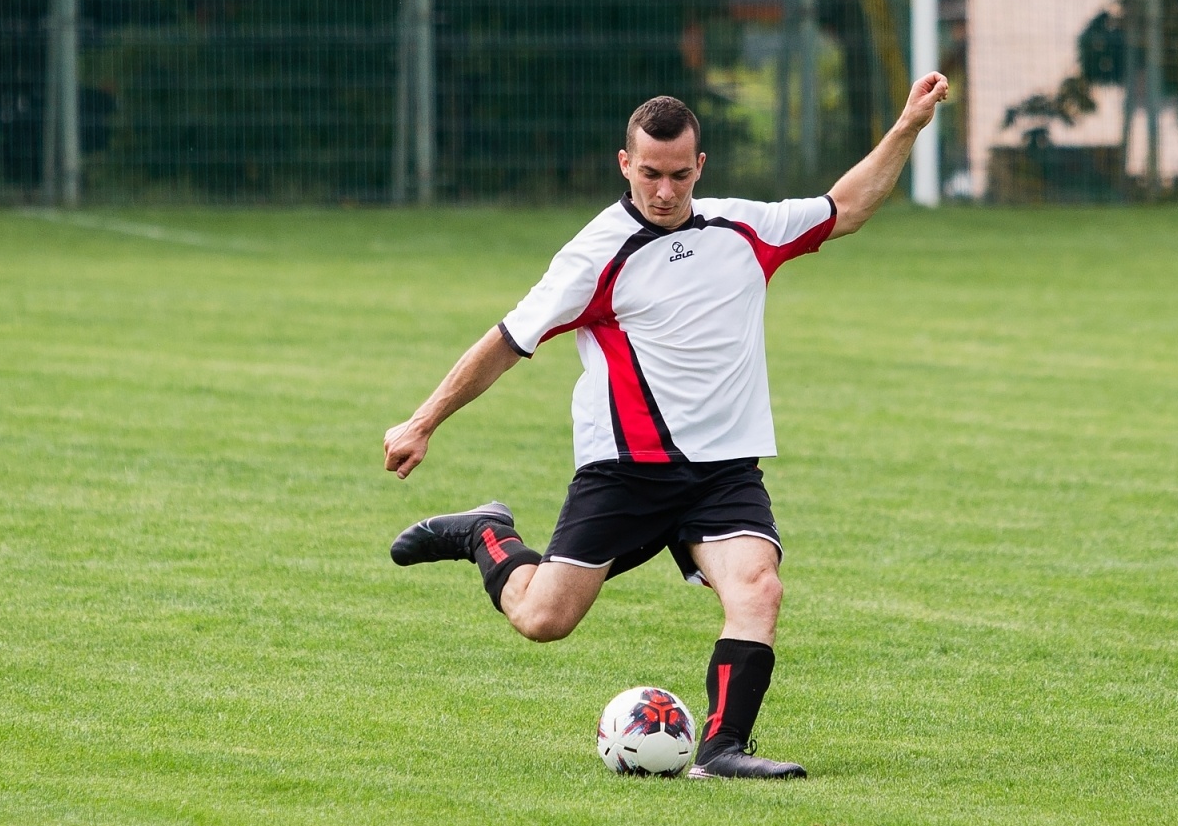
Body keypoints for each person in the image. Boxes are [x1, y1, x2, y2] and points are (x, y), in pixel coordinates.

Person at [383, 72, 950, 779]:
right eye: (649, 173)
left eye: (679, 175)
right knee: (544, 620)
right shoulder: (595, 256)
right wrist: (423, 420)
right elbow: (507, 340)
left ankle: (721, 752)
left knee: (758, 589)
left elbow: (845, 208)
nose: (663, 190)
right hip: (625, 472)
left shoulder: (742, 230)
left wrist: (908, 126)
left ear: (699, 167)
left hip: (722, 472)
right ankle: (485, 532)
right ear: (626, 164)